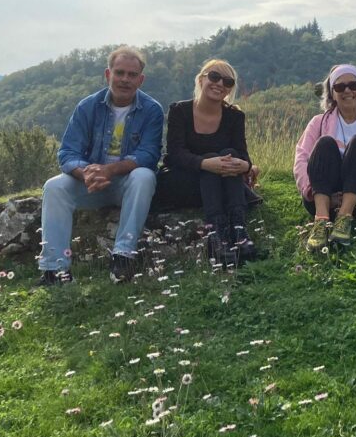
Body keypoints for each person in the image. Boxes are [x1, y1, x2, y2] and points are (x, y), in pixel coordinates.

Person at [37, 46, 164, 285]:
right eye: (119, 73)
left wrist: (109, 170)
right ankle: (55, 271)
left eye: (132, 75)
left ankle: (123, 257)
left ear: (141, 80)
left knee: (144, 176)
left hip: (126, 185)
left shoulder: (151, 110)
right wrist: (86, 173)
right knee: (54, 187)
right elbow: (67, 152)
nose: (125, 79)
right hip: (90, 183)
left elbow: (148, 154)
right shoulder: (87, 107)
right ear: (108, 75)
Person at [155, 59, 261, 266]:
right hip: (183, 181)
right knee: (213, 158)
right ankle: (216, 233)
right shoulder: (179, 111)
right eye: (214, 77)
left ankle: (238, 228)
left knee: (230, 154)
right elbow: (175, 154)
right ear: (201, 80)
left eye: (227, 82)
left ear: (230, 89)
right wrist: (205, 163)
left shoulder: (235, 116)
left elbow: (242, 155)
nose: (219, 83)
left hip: (218, 183)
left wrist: (245, 166)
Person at [294, 64, 356, 251]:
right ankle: (321, 221)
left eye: (353, 85)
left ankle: (344, 218)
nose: (347, 91)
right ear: (332, 93)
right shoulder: (318, 122)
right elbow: (301, 158)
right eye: (340, 87)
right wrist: (314, 192)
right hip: (324, 198)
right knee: (324, 144)